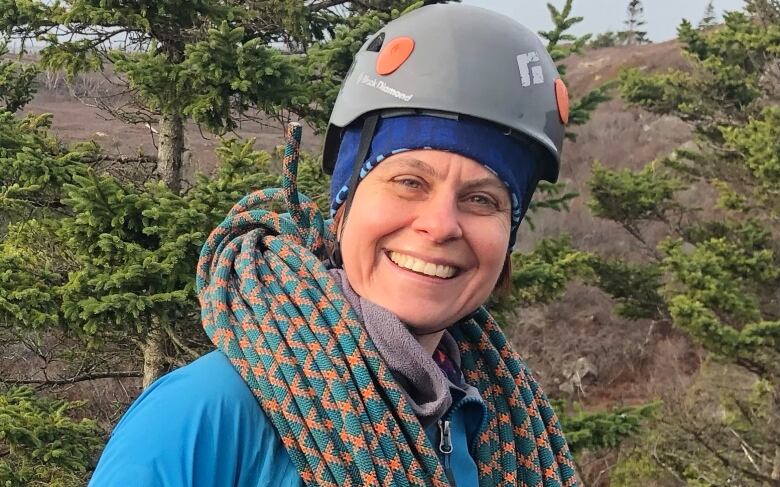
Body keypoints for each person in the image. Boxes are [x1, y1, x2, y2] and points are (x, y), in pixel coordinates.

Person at [89, 3, 577, 486]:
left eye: (481, 199)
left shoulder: (494, 423)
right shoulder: (208, 415)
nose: (440, 225)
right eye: (409, 181)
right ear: (343, 203)